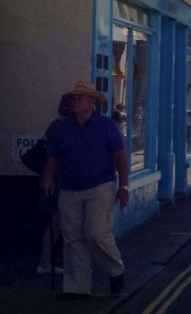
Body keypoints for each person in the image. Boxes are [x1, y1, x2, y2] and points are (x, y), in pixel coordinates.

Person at [40, 79, 128, 300]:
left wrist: (124, 187)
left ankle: (115, 270)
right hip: (69, 187)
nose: (75, 102)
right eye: (73, 98)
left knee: (96, 232)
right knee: (72, 237)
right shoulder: (63, 127)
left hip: (100, 185)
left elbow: (120, 157)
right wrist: (48, 178)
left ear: (91, 102)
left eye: (80, 98)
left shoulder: (106, 126)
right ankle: (76, 287)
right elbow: (54, 157)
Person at [36, 93, 73, 275]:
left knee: (57, 222)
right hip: (57, 181)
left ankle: (46, 262)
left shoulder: (57, 126)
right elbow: (55, 156)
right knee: (57, 222)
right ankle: (45, 263)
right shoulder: (60, 127)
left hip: (58, 180)